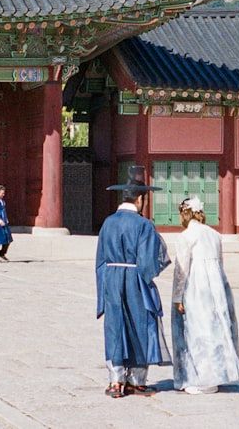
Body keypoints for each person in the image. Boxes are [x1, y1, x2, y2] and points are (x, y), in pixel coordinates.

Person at [96, 166, 172, 398]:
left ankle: (116, 380)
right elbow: (150, 262)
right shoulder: (143, 225)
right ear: (139, 199)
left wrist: (104, 286)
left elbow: (100, 260)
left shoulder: (108, 222)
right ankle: (137, 380)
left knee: (115, 327)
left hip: (111, 278)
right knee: (140, 326)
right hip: (135, 280)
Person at [171, 197, 239, 394]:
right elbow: (220, 261)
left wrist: (178, 296)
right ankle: (217, 375)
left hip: (196, 285)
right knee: (216, 328)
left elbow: (182, 269)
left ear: (184, 214)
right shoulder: (214, 234)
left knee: (196, 330)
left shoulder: (186, 236)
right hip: (217, 284)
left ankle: (199, 377)